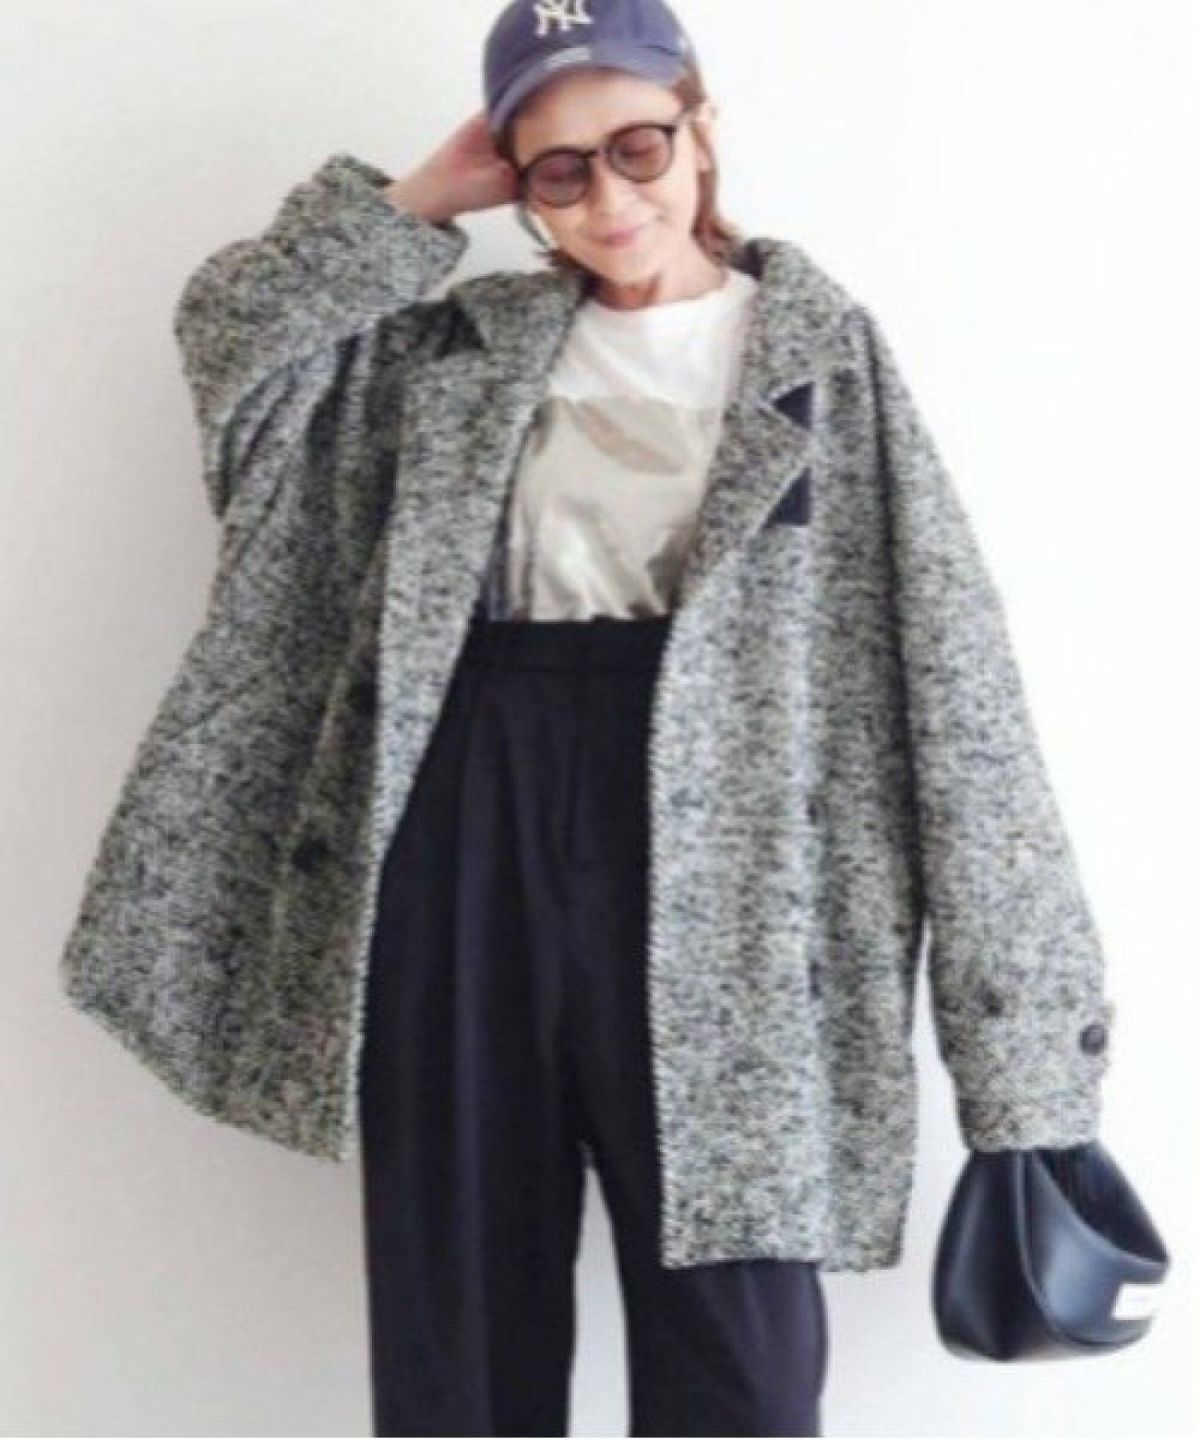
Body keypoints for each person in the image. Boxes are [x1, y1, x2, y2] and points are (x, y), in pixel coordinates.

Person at [57, 0, 1119, 1433]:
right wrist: (416, 202)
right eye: (558, 167)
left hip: (737, 878)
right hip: (462, 822)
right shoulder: (450, 352)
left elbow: (958, 691)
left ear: (701, 129)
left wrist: (1027, 1070)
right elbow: (236, 354)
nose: (610, 197)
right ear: (517, 179)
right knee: (461, 1341)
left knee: (741, 1368)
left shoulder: (822, 355)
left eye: (638, 147)